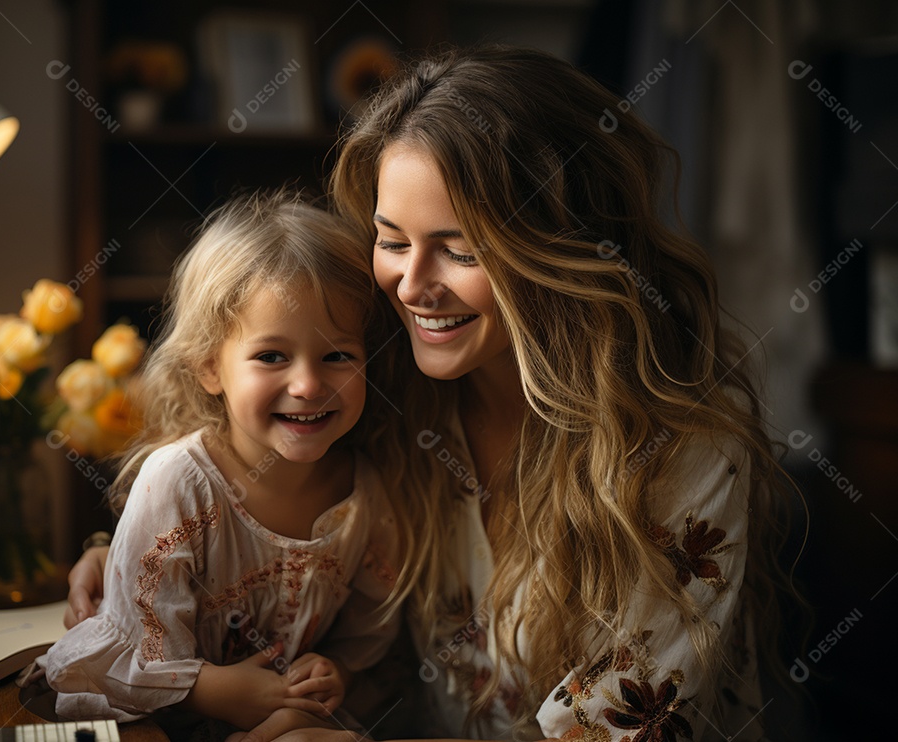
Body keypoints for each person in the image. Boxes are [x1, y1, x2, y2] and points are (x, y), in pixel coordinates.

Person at [69, 46, 795, 741]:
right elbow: (255, 495)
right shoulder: (390, 392)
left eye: (460, 249)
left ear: (562, 249)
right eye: (392, 240)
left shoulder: (686, 453)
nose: (412, 286)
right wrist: (137, 554)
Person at [40, 190, 401, 737]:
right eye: (271, 356)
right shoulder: (179, 484)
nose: (307, 385)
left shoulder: (365, 497)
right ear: (211, 367)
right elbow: (125, 655)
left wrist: (340, 673)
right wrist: (213, 688)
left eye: (338, 356)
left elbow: (369, 635)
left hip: (290, 720)